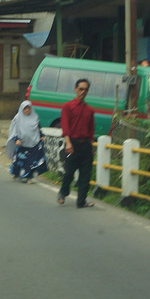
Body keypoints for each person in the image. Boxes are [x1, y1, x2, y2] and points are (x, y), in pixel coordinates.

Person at [58, 78, 96, 208]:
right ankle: (63, 192)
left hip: (85, 145)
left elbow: (91, 130)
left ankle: (81, 201)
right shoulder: (68, 107)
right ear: (75, 89)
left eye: (85, 89)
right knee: (69, 172)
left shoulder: (89, 110)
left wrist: (91, 146)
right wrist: (68, 143)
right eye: (81, 89)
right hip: (72, 144)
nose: (83, 92)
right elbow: (65, 126)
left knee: (86, 175)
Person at [6, 101, 47, 183]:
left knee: (32, 161)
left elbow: (38, 128)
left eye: (29, 108)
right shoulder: (17, 119)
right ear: (22, 109)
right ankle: (16, 173)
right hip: (22, 144)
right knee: (19, 161)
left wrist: (42, 136)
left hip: (34, 143)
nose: (27, 110)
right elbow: (14, 130)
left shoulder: (35, 117)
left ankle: (29, 176)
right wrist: (16, 139)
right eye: (25, 108)